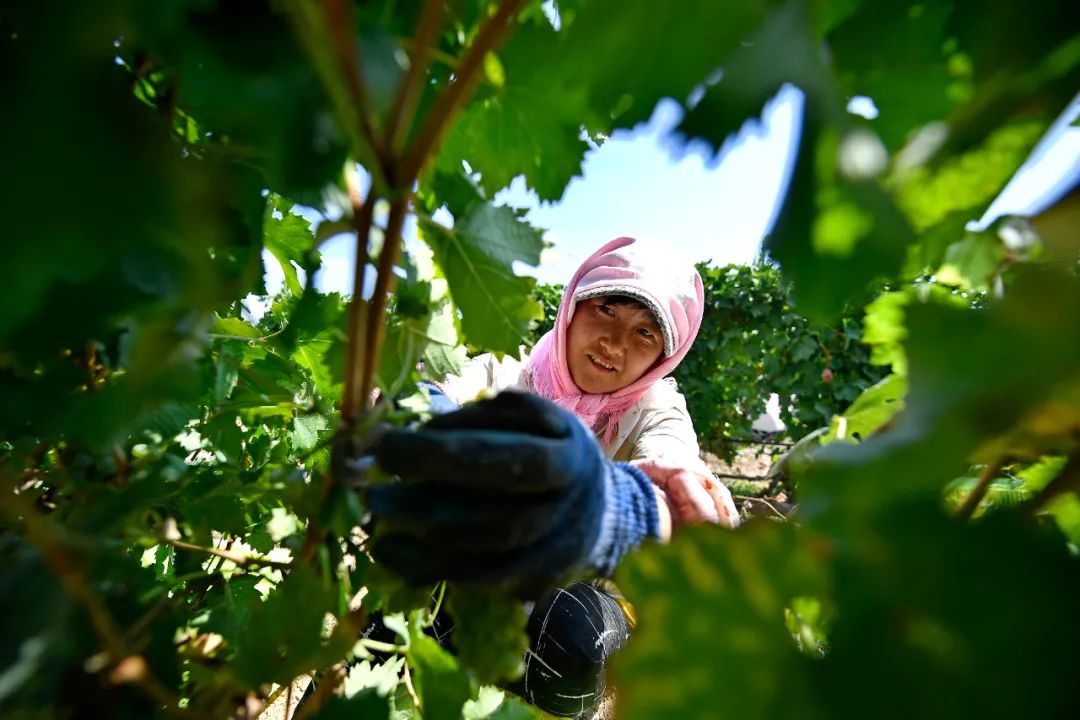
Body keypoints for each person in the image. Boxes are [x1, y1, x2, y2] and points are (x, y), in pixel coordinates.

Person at [365, 236, 738, 716]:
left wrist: (621, 512)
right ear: (573, 306)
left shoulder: (657, 411)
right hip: (469, 572)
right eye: (606, 309)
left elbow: (678, 481)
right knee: (397, 597)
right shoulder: (505, 371)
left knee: (574, 636)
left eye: (646, 334)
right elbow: (425, 400)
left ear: (664, 356)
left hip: (578, 602)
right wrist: (417, 416)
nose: (615, 343)